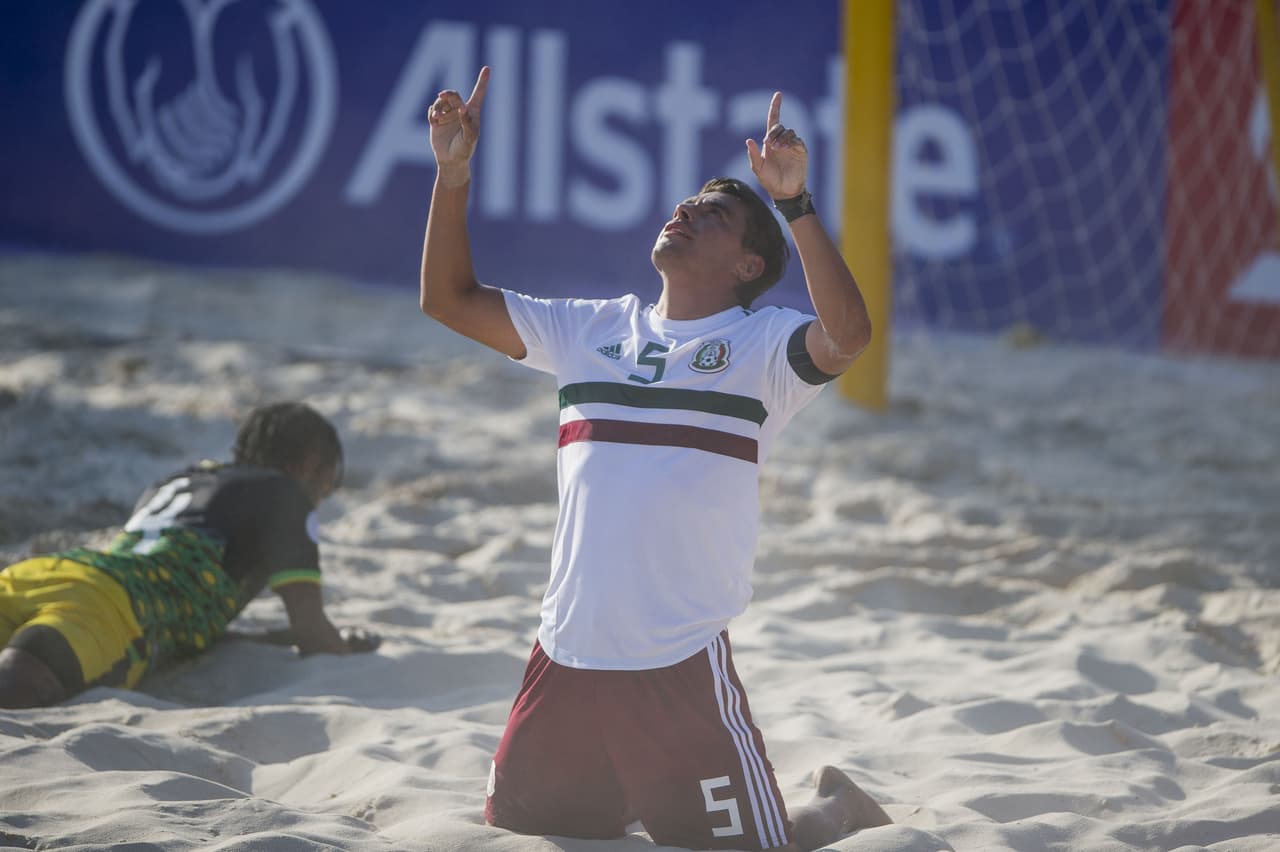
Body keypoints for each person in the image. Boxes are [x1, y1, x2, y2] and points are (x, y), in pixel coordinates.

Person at [420, 66, 892, 851]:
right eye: (687, 203)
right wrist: (453, 173)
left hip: (675, 671)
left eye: (711, 215)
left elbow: (848, 336)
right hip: (563, 659)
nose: (685, 212)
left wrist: (793, 203)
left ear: (746, 267)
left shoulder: (761, 346)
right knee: (531, 836)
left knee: (754, 848)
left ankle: (835, 810)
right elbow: (447, 300)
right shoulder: (589, 328)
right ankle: (638, 793)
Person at [0, 401, 380, 709]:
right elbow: (313, 632)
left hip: (41, 575)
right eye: (323, 491)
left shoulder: (179, 481)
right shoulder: (286, 496)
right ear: (307, 467)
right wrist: (341, 649)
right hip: (109, 608)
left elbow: (185, 614)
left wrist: (280, 638)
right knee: (16, 693)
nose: (317, 503)